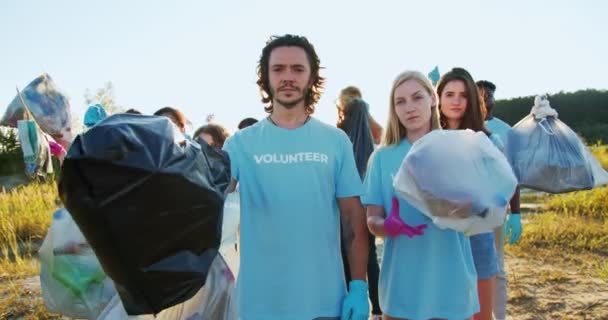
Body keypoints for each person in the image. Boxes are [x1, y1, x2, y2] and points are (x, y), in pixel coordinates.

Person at [222, 34, 369, 320]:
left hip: (324, 303)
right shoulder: (240, 144)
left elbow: (353, 221)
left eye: (297, 69)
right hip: (258, 305)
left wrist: (359, 286)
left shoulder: (336, 141)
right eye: (278, 69)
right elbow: (208, 205)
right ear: (265, 77)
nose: (288, 77)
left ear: (311, 77)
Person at [363, 70, 478, 320]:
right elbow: (372, 220)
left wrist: (464, 209)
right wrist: (387, 227)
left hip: (453, 283)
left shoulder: (459, 149)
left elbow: (481, 213)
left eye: (417, 97)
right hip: (402, 286)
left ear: (433, 99)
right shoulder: (382, 158)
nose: (409, 108)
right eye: (400, 102)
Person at [437, 68, 500, 320]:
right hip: (439, 242)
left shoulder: (488, 141)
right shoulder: (428, 141)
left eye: (463, 95)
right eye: (449, 94)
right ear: (437, 98)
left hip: (478, 239)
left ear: (472, 100)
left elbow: (498, 196)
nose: (455, 101)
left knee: (481, 316)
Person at [476, 80, 522, 320]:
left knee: (496, 267)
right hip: (464, 210)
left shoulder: (505, 131)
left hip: (495, 209)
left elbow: (513, 174)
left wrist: (515, 213)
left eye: (489, 95)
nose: (485, 100)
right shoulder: (463, 126)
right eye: (480, 95)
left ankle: (498, 316)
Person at [336, 96, 381, 319]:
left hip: (346, 210)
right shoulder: (372, 144)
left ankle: (350, 298)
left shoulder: (341, 137)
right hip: (367, 207)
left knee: (347, 255)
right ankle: (378, 308)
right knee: (370, 258)